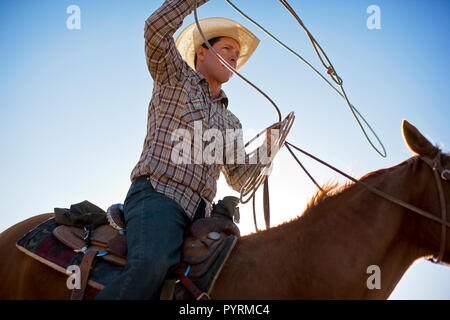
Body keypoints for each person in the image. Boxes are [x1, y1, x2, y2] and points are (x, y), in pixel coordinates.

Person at [96, 0, 266, 300]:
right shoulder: (176, 78)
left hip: (203, 214)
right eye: (227, 49)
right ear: (202, 50)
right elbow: (155, 30)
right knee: (151, 263)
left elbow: (240, 179)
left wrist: (269, 150)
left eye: (237, 55)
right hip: (159, 196)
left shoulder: (231, 121)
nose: (234, 58)